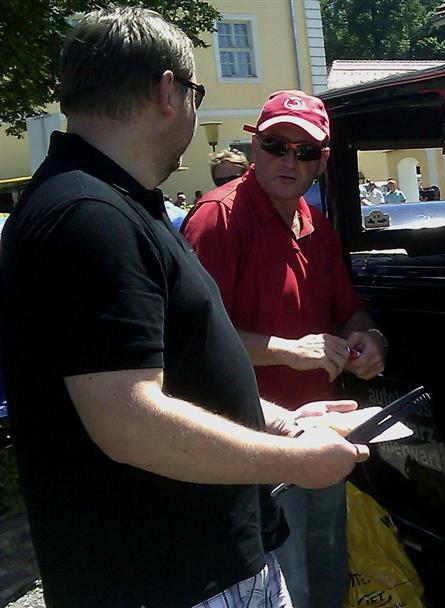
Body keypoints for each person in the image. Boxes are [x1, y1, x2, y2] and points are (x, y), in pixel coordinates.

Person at [0, 8, 369, 608]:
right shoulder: (89, 217)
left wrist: (285, 420)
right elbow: (130, 421)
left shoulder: (117, 204)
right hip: (164, 578)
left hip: (200, 564)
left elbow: (183, 372)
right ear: (169, 91)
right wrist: (295, 459)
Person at [181, 89, 388, 608]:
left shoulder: (316, 225)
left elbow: (348, 308)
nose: (290, 160)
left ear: (322, 162)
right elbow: (194, 346)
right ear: (255, 148)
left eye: (306, 151)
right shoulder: (218, 219)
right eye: (277, 145)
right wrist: (290, 350)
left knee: (328, 560)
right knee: (285, 578)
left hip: (321, 430)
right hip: (255, 441)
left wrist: (369, 337)